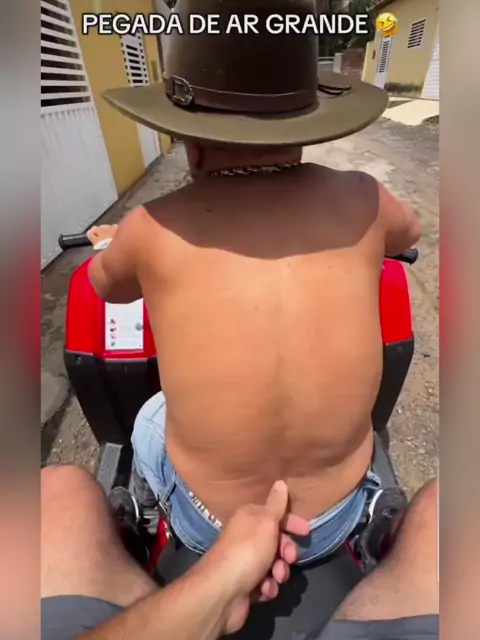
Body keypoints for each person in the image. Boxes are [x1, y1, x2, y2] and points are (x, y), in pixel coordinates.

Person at [87, 0, 422, 563]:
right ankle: (370, 514)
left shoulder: (150, 226)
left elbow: (107, 286)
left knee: (150, 418)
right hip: (331, 521)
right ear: (305, 127)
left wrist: (121, 241)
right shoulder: (364, 196)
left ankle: (145, 517)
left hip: (214, 528)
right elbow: (408, 231)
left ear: (192, 143)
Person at [41, 465, 438, 640]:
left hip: (201, 528)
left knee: (61, 485)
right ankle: (376, 538)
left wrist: (216, 586)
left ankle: (130, 542)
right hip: (330, 526)